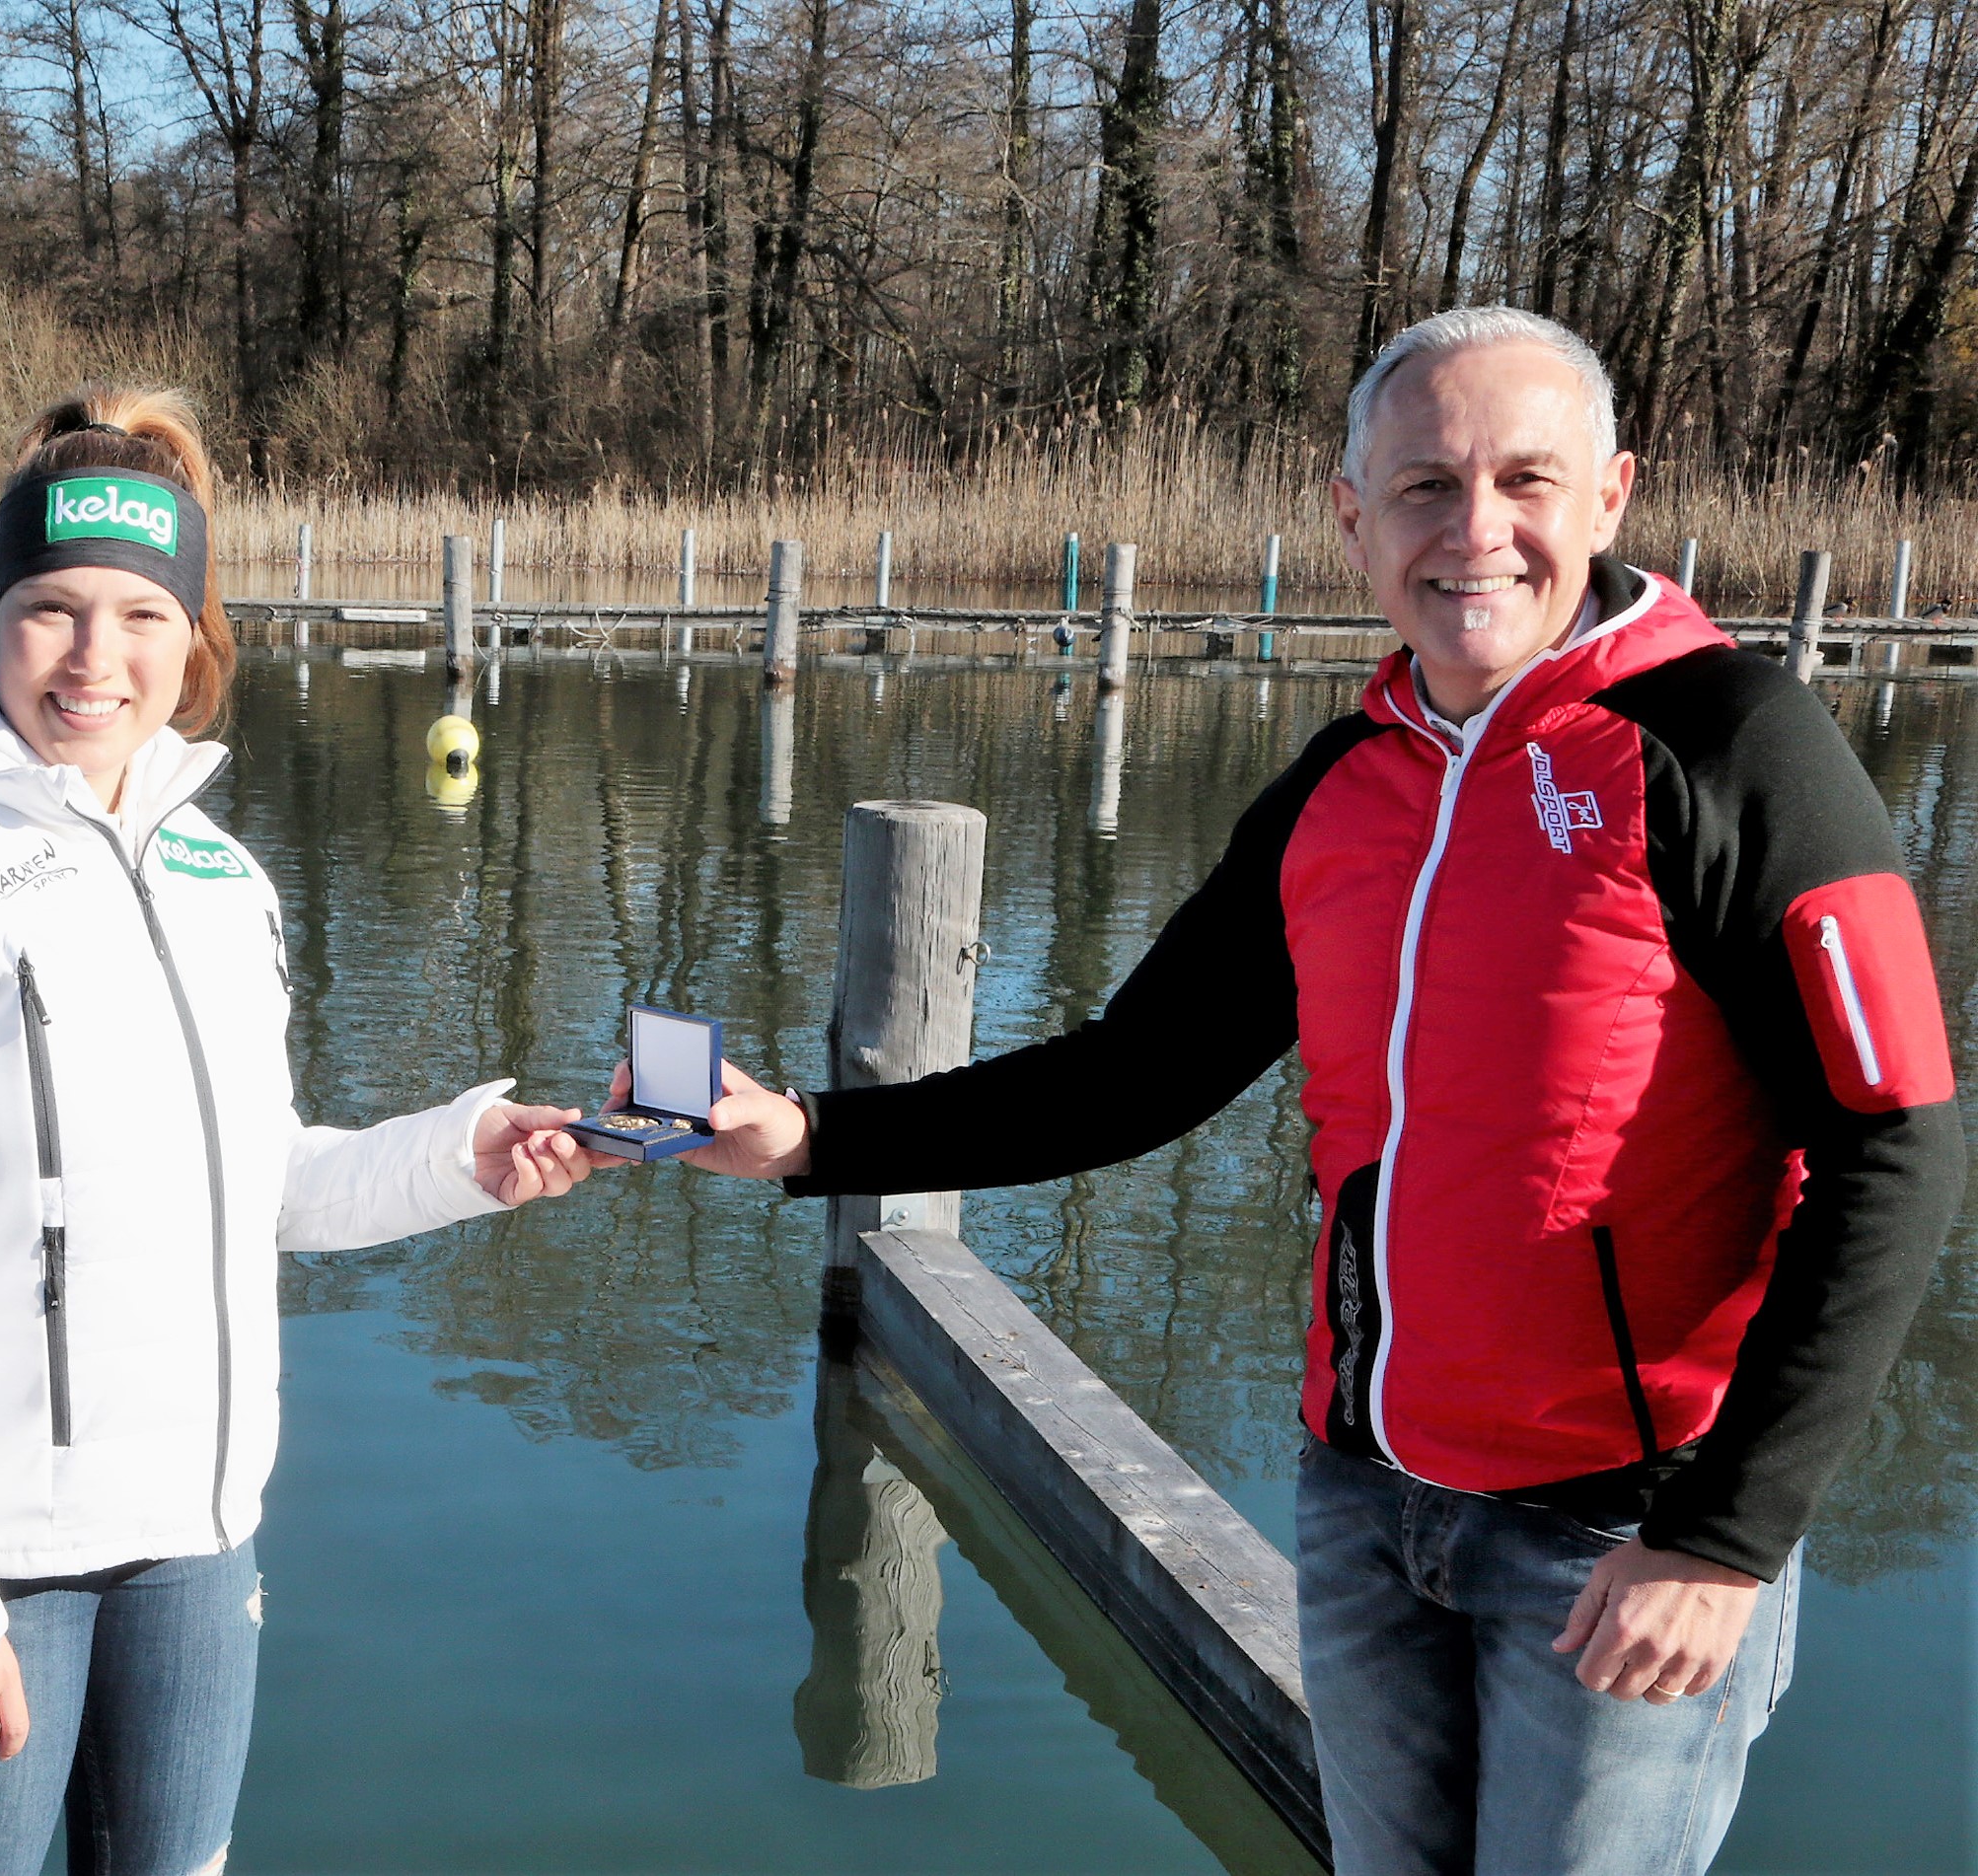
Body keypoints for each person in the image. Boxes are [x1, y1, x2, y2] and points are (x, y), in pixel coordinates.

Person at [671, 307, 1959, 1872]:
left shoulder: (1731, 741)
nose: (1473, 532)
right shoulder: (1342, 779)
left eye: (1524, 481)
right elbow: (1132, 1073)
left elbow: (1895, 1144)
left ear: (1610, 495)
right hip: (1365, 1501)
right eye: (1422, 486)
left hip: (1625, 1525)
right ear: (1351, 520)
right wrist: (813, 1136)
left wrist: (1725, 1535)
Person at [0, 388, 598, 1876]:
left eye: (142, 615)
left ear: (192, 635)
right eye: (53, 610)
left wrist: (462, 1155)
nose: (95, 659)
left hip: (197, 1539)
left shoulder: (216, 872)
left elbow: (255, 1181)